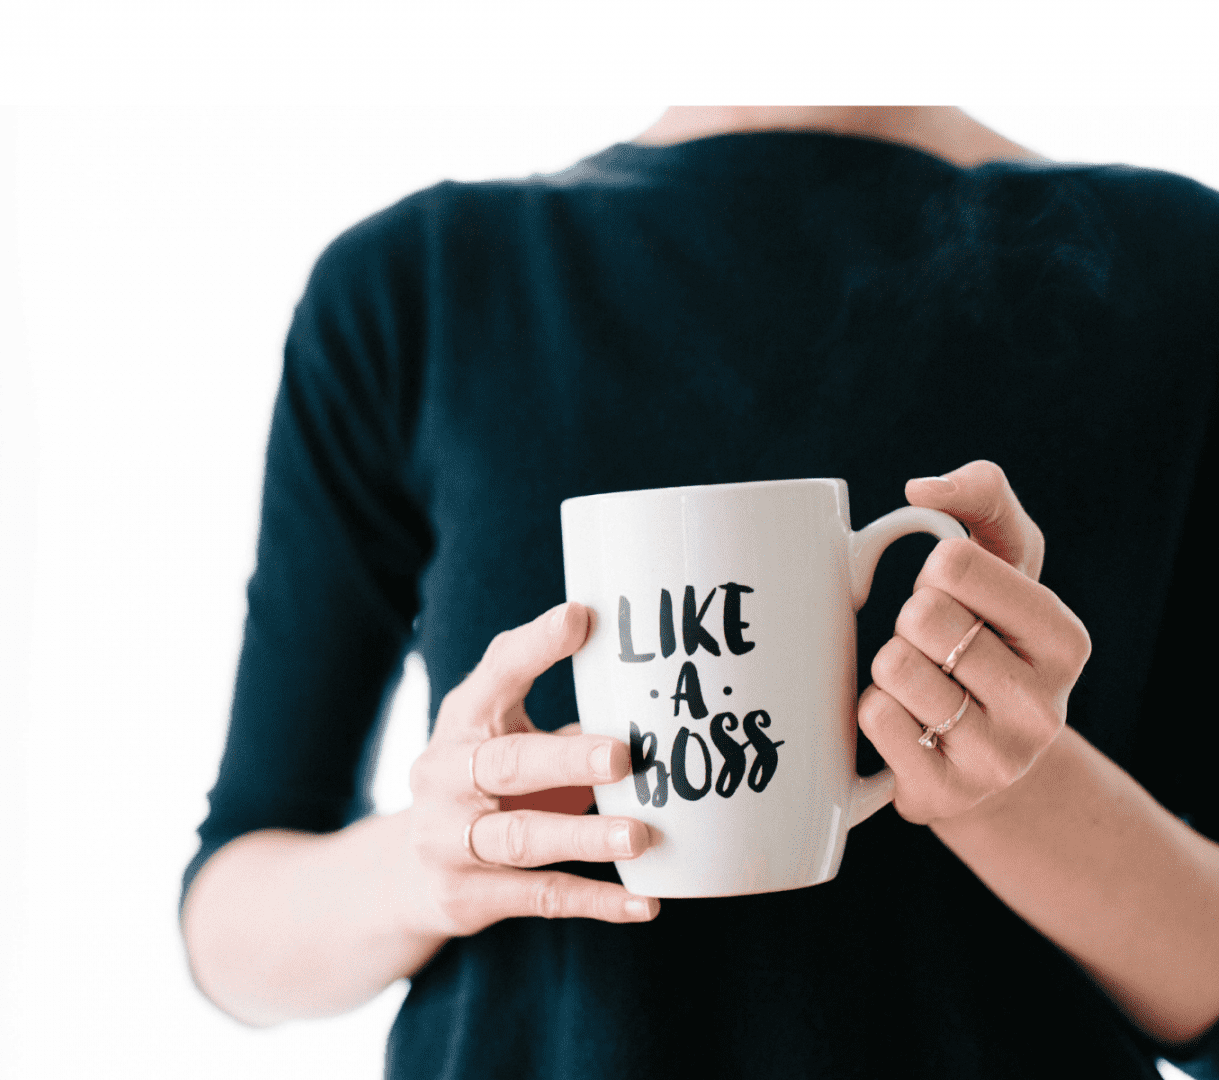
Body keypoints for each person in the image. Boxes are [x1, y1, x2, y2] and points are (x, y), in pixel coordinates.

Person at [180, 107, 1219, 1078]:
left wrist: (1016, 791)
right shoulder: (419, 285)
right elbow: (230, 925)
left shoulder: (1178, 269)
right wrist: (435, 857)